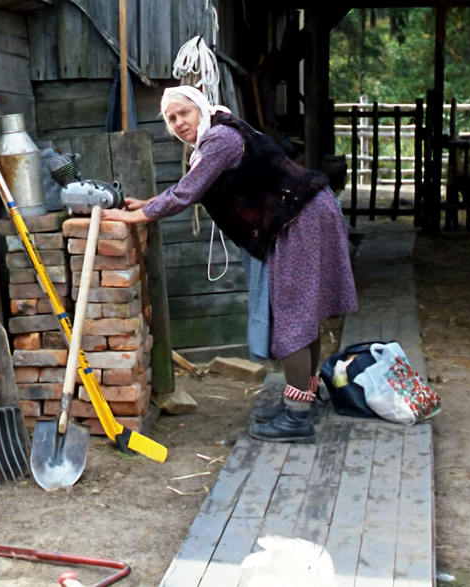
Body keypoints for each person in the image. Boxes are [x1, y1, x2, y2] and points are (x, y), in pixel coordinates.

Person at [102, 86, 357, 443]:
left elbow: (187, 192)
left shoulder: (219, 139)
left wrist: (136, 217)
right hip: (304, 211)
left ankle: (297, 416)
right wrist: (149, 203)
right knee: (301, 311)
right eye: (171, 119)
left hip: (301, 216)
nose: (178, 123)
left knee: (294, 312)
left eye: (183, 114)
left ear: (200, 109)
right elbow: (193, 187)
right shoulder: (219, 135)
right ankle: (304, 395)